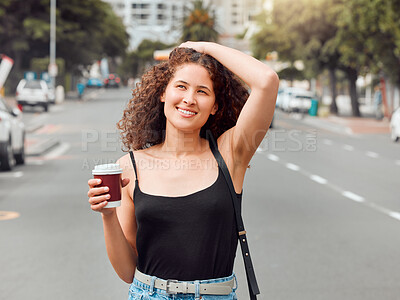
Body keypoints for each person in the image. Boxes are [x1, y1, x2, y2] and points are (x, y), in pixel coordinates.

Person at [87, 41, 279, 300]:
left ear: (214, 106)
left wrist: (203, 47)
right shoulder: (129, 167)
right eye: (181, 86)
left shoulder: (230, 154)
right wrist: (107, 216)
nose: (189, 98)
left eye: (202, 91)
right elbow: (127, 272)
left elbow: (267, 80)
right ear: (163, 93)